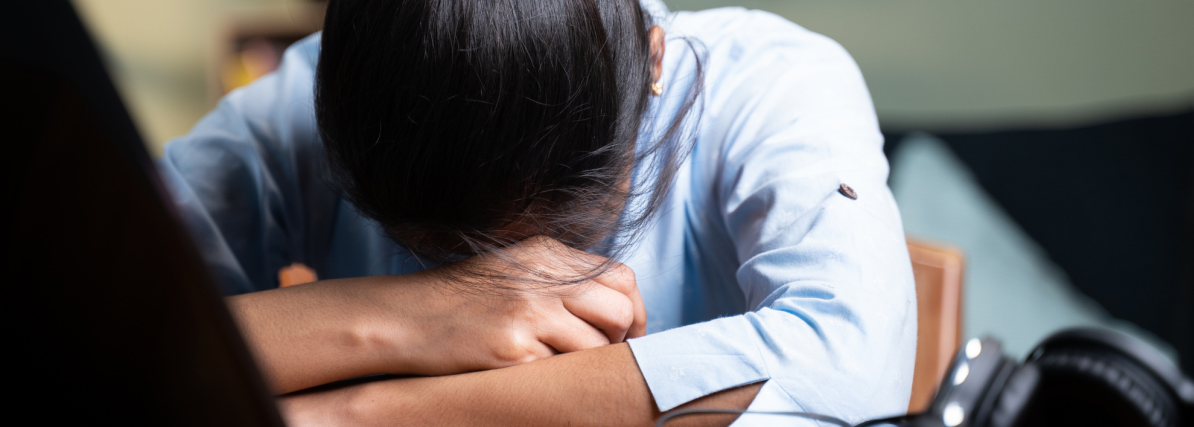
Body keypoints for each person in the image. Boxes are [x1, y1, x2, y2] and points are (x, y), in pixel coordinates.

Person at [160, 0, 917, 425]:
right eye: (422, 246)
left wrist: (363, 412)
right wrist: (413, 314)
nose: (507, 278)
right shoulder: (316, 98)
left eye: (561, 233)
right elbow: (85, 327)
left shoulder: (771, 88)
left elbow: (851, 361)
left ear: (653, 63)